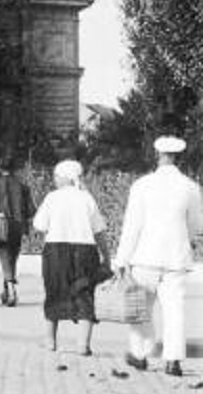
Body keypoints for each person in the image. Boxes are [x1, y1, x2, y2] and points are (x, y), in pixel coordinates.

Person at [112, 135, 203, 376]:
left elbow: (131, 227)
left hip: (144, 258)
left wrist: (121, 260)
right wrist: (186, 238)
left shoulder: (142, 185)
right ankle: (173, 361)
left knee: (140, 308)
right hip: (176, 259)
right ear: (179, 158)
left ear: (157, 155)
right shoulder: (191, 187)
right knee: (175, 310)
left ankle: (140, 354)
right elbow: (196, 225)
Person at [31, 159, 109, 355]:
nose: (54, 180)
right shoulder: (87, 197)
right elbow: (99, 230)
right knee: (85, 294)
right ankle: (83, 345)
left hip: (56, 249)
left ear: (64, 177)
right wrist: (106, 256)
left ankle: (50, 342)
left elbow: (39, 225)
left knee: (54, 291)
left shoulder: (52, 197)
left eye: (56, 176)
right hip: (85, 250)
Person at [0, 157, 35, 306]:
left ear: (0, 169)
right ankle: (6, 290)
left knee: (4, 256)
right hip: (18, 227)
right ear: (15, 169)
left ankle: (11, 291)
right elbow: (31, 210)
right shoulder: (23, 186)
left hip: (1, 225)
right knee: (12, 257)